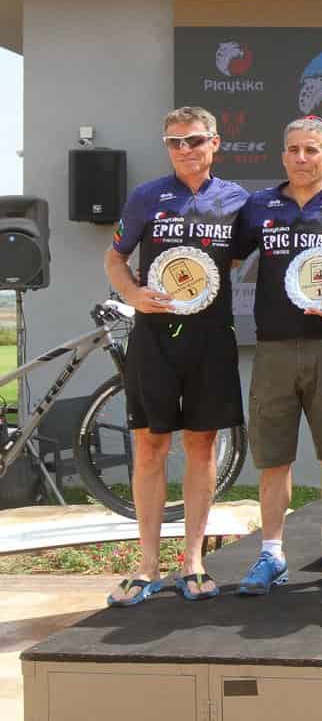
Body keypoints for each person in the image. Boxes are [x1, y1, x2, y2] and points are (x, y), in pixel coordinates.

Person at [103, 106, 248, 605]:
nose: (185, 149)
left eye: (195, 140)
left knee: (202, 446)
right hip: (154, 338)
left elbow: (254, 249)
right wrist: (132, 294)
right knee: (149, 446)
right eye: (174, 142)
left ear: (215, 143)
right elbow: (115, 257)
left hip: (210, 337)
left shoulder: (237, 200)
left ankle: (193, 561)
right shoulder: (147, 196)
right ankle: (146, 564)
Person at [233, 116, 322, 595]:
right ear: (283, 156)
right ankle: (271, 554)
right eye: (293, 149)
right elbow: (226, 260)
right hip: (272, 348)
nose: (301, 158)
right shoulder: (257, 207)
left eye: (311, 150)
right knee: (274, 458)